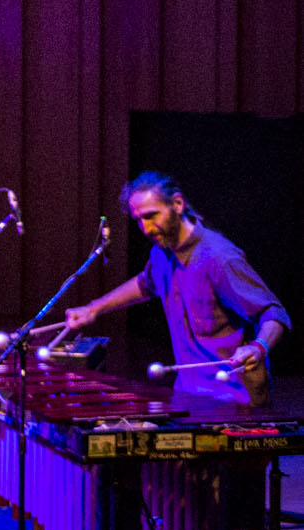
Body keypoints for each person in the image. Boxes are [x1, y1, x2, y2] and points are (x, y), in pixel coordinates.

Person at [63, 173, 288, 406]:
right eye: (139, 220)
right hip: (189, 395)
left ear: (177, 204)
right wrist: (94, 309)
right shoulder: (161, 253)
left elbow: (274, 312)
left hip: (233, 399)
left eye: (151, 216)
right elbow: (145, 283)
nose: (146, 228)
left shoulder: (219, 258)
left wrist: (259, 347)